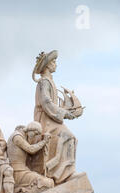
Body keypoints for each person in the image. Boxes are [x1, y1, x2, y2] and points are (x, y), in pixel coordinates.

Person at [32, 50, 83, 184]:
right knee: (69, 137)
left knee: (72, 139)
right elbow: (46, 102)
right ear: (48, 65)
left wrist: (66, 111)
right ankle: (62, 175)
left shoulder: (49, 81)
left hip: (52, 119)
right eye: (54, 62)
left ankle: (64, 172)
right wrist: (63, 113)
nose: (56, 64)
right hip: (45, 121)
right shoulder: (44, 82)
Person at [7, 122, 54, 193]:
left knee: (50, 183)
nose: (34, 138)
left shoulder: (21, 136)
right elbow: (31, 149)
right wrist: (44, 141)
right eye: (35, 135)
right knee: (46, 184)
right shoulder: (17, 136)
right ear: (31, 132)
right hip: (17, 172)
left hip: (23, 170)